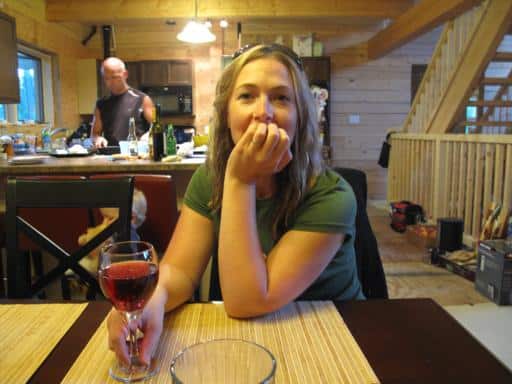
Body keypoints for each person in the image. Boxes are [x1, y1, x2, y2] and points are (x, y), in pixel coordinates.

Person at [107, 44, 363, 366]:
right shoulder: (209, 179)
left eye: (282, 98)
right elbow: (181, 272)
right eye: (247, 96)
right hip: (243, 343)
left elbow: (248, 301)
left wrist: (240, 180)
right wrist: (150, 300)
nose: (263, 112)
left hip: (333, 338)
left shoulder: (332, 196)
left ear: (301, 116)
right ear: (227, 113)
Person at [77, 189, 148, 275]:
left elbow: (128, 257)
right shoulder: (110, 231)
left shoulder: (131, 237)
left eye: (110, 218)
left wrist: (110, 247)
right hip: (98, 265)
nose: (104, 222)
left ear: (131, 219)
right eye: (104, 217)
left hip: (115, 271)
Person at [91, 57, 154, 148]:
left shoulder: (142, 99)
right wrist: (97, 139)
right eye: (107, 78)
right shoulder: (101, 103)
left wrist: (149, 135)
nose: (111, 82)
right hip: (111, 156)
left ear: (125, 74)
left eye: (115, 77)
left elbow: (157, 126)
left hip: (136, 155)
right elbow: (94, 134)